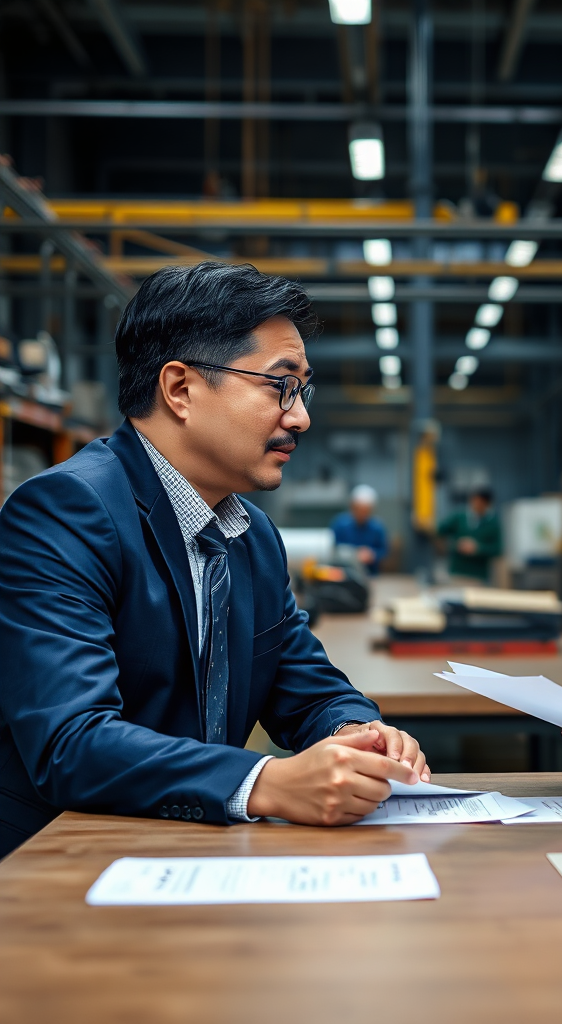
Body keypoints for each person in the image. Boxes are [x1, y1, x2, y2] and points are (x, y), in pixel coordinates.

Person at [0, 262, 430, 859]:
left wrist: (355, 731)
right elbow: (71, 741)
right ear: (180, 390)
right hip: (62, 860)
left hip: (189, 851)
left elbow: (302, 684)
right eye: (279, 385)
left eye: (304, 389)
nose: (300, 415)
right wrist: (266, 782)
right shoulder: (66, 511)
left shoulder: (251, 535)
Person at [438, 486, 502, 581]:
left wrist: (478, 548)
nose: (476, 505)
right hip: (457, 573)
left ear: (487, 504)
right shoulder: (459, 517)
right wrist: (454, 545)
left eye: (480, 503)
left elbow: (498, 549)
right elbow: (440, 530)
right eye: (474, 501)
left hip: (479, 576)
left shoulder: (492, 523)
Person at [331, 484, 388, 574]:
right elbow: (333, 547)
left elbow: (383, 551)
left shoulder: (377, 528)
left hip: (370, 574)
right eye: (359, 510)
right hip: (344, 573)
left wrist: (372, 555)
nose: (362, 514)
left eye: (366, 511)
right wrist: (354, 554)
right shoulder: (340, 524)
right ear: (353, 507)